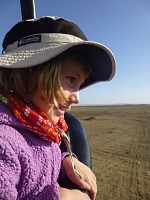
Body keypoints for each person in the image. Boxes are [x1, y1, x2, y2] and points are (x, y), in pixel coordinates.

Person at [0, 16, 116, 200]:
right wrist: (62, 196)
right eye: (71, 79)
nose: (77, 98)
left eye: (79, 84)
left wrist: (65, 161)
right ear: (29, 72)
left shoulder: (42, 127)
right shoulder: (5, 142)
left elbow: (39, 161)